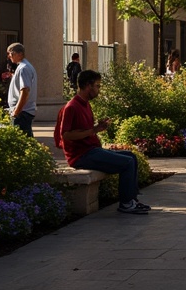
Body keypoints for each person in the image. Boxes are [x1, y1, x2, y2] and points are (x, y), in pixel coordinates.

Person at [54, 69, 150, 214]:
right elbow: (66, 135)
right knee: (127, 163)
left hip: (92, 150)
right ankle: (126, 203)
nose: (99, 89)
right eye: (97, 86)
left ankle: (132, 199)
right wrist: (94, 130)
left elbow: (85, 130)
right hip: (81, 156)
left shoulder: (86, 104)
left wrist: (98, 127)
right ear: (88, 85)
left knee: (131, 157)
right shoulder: (71, 107)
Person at [6, 42, 38, 136]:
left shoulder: (23, 68)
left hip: (22, 112)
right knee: (25, 141)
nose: (9, 56)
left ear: (20, 54)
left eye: (11, 53)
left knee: (21, 141)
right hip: (23, 112)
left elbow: (25, 91)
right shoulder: (24, 67)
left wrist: (16, 111)